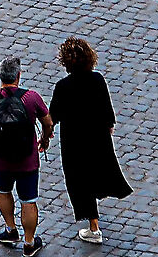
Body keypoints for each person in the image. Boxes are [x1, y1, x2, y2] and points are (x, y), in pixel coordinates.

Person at [49, 39, 130, 245]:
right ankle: (94, 215)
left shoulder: (63, 87)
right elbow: (107, 108)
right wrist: (108, 126)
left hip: (74, 141)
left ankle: (94, 226)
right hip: (97, 137)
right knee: (96, 172)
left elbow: (53, 115)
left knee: (79, 180)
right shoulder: (97, 80)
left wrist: (44, 135)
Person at [0, 58, 54, 255]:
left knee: (3, 192)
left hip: (1, 160)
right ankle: (29, 243)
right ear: (19, 75)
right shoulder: (32, 98)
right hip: (28, 160)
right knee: (28, 201)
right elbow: (48, 122)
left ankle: (10, 230)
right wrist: (44, 140)